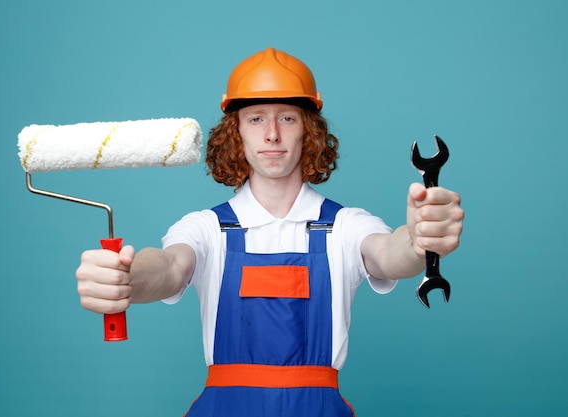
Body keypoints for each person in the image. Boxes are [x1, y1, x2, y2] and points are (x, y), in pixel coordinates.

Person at [75, 47, 464, 416]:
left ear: (307, 131)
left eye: (287, 118)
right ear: (237, 132)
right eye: (256, 117)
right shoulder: (207, 229)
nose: (272, 134)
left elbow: (388, 253)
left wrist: (418, 241)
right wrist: (126, 278)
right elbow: (168, 267)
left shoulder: (344, 226)